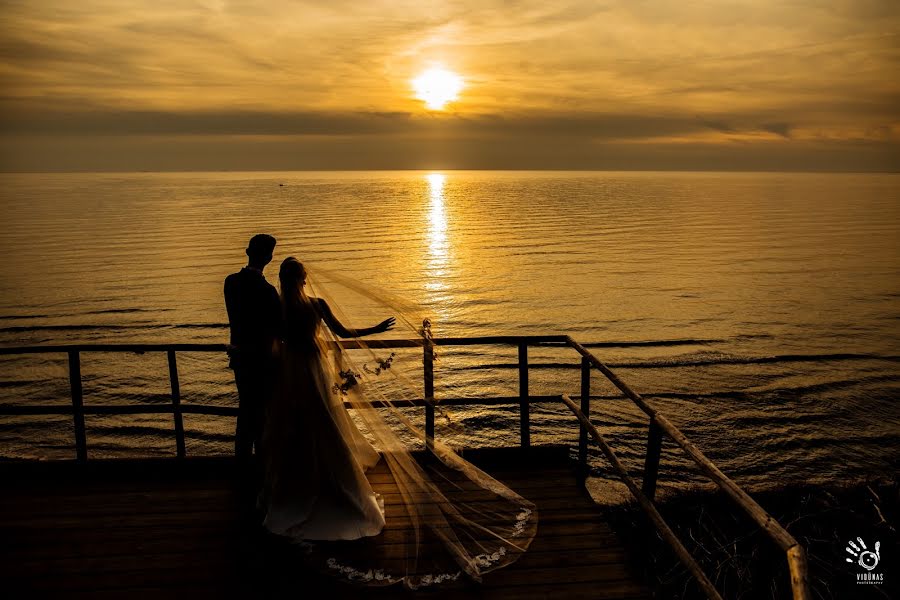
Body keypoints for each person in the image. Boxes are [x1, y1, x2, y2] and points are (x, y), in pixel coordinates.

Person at [262, 257, 394, 539]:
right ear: (302, 278)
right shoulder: (317, 305)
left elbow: (272, 342)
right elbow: (343, 332)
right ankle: (336, 480)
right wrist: (375, 329)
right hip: (313, 364)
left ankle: (296, 486)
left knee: (295, 423)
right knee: (324, 417)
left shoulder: (279, 309)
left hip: (290, 369)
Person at [224, 234, 282, 465]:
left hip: (239, 357)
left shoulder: (230, 282)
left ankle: (243, 463)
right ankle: (262, 464)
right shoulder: (267, 291)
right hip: (262, 360)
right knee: (261, 414)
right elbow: (279, 328)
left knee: (246, 410)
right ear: (269, 258)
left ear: (248, 252)